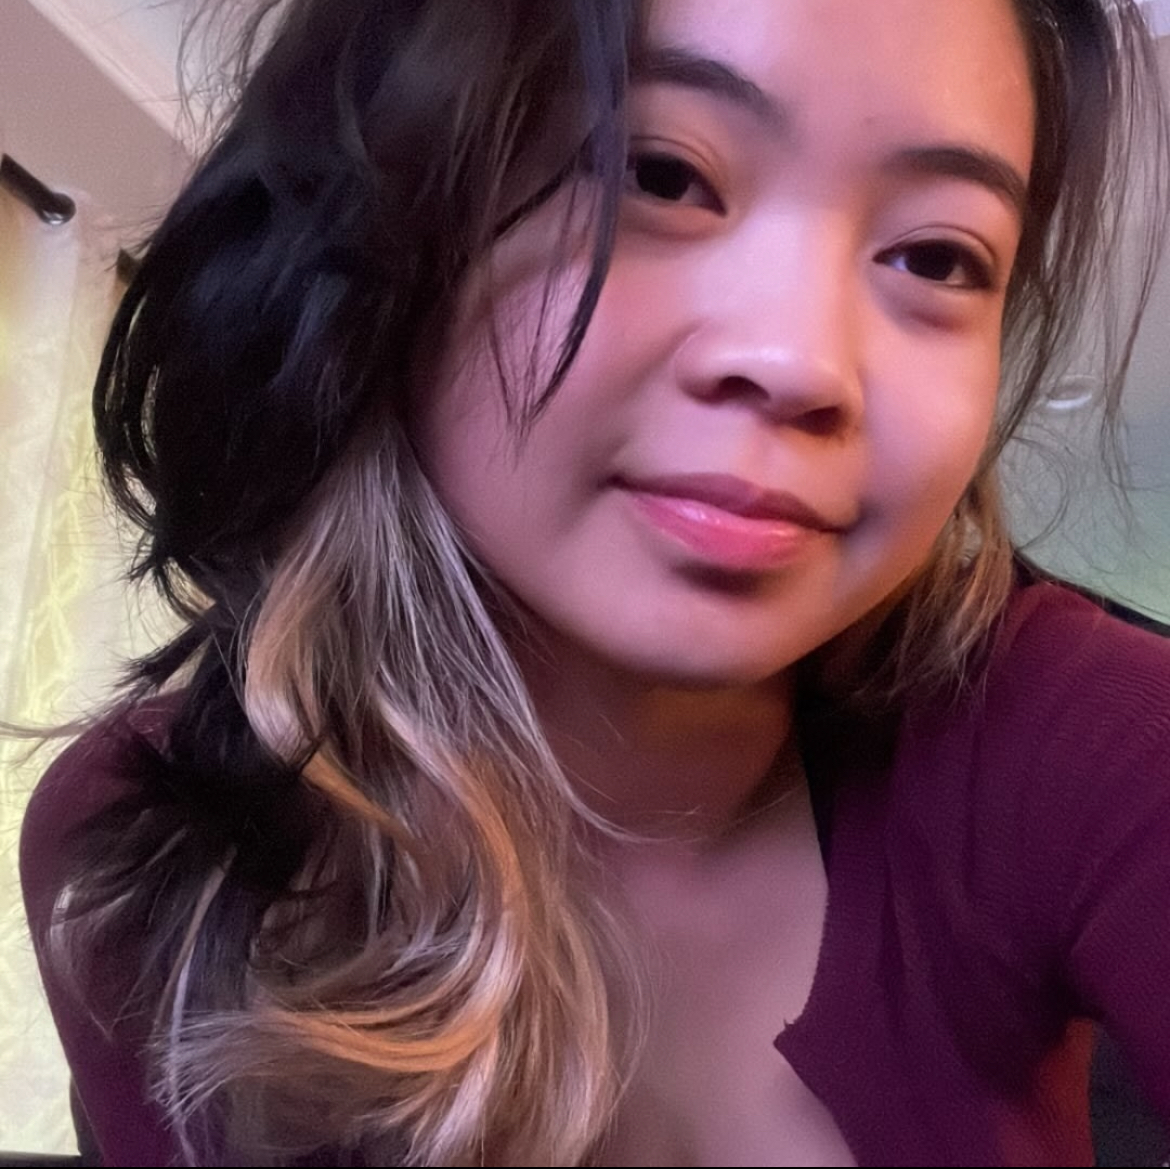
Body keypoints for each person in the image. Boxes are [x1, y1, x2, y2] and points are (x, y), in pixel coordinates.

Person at [18, 0, 1170, 1164]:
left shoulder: (1085, 734)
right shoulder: (132, 858)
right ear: (380, 219)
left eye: (936, 256)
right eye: (658, 174)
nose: (801, 362)